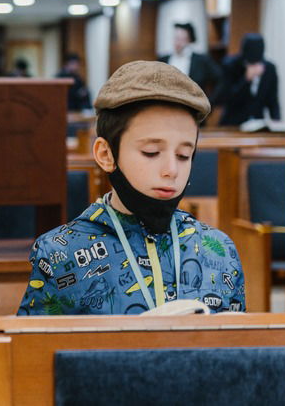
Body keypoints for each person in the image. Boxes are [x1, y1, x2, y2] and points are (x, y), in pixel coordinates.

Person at [18, 60, 245, 315]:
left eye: (184, 155)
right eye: (151, 152)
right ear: (106, 154)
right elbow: (35, 350)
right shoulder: (60, 253)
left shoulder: (219, 248)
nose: (171, 169)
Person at [218, 33, 280, 126]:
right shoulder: (230, 65)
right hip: (232, 124)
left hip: (257, 124)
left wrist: (277, 123)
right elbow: (227, 98)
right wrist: (246, 80)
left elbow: (273, 100)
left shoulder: (270, 69)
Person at [158, 22, 222, 103]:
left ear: (189, 40)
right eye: (176, 38)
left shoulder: (201, 61)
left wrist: (210, 103)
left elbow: (221, 80)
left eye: (181, 39)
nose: (177, 42)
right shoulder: (163, 59)